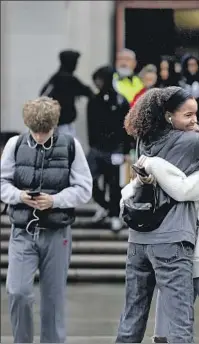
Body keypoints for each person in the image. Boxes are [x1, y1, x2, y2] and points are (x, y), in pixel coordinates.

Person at [115, 87, 199, 343]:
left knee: (131, 317)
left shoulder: (144, 141)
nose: (194, 120)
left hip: (138, 240)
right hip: (172, 240)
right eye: (188, 115)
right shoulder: (192, 142)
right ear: (168, 116)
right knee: (179, 322)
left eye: (195, 114)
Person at [0, 96, 92, 343]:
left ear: (54, 125)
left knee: (53, 298)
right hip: (22, 231)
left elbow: (84, 189)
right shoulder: (15, 144)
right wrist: (19, 196)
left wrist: (55, 200)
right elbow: (2, 183)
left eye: (45, 131)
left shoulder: (71, 145)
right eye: (35, 131)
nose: (40, 136)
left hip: (57, 233)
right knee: (18, 292)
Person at [87, 65, 131, 230]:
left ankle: (113, 214)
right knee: (89, 179)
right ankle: (104, 206)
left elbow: (127, 128)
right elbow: (91, 127)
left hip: (116, 149)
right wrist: (93, 146)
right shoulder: (94, 101)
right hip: (98, 149)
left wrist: (126, 150)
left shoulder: (121, 101)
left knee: (114, 183)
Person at [40, 50, 93, 136]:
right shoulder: (69, 79)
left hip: (54, 124)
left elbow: (42, 94)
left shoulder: (55, 78)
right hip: (63, 125)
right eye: (75, 62)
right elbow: (88, 92)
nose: (76, 65)